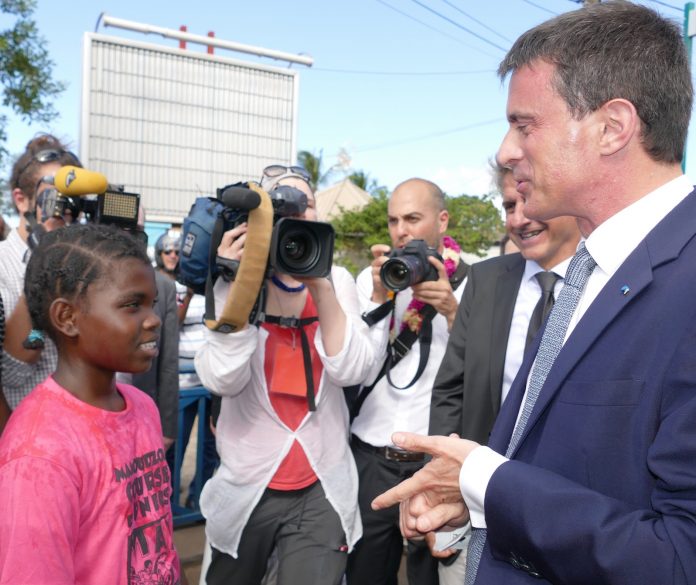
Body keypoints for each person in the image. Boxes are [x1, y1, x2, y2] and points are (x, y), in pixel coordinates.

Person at [372, 3, 696, 584]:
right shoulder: (593, 269)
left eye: (525, 125)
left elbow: (679, 557)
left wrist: (485, 482)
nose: (505, 151)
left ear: (613, 127)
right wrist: (480, 504)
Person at [194, 165, 378, 585]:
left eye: (305, 204)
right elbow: (222, 380)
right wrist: (240, 284)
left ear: (317, 215)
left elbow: (351, 370)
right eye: (281, 204)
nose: (296, 213)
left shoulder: (337, 279)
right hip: (248, 483)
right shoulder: (235, 278)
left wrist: (320, 285)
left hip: (322, 485)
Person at [0, 224, 180, 584]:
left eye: (152, 304)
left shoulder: (142, 406)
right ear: (67, 318)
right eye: (132, 305)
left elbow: (160, 543)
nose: (153, 319)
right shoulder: (39, 454)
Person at [427, 164, 580, 584]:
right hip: (472, 514)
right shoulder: (486, 279)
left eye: (531, 200)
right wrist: (439, 483)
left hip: (567, 527)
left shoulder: (608, 283)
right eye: (510, 205)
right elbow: (450, 390)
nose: (519, 218)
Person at [347, 178, 468, 585]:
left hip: (433, 461)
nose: (401, 231)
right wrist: (378, 298)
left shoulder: (473, 283)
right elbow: (354, 366)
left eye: (413, 218)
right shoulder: (373, 279)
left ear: (442, 220)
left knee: (429, 574)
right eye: (394, 220)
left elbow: (481, 369)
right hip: (371, 457)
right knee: (365, 572)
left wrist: (452, 311)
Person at [0, 133, 81, 410]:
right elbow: (12, 374)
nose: (65, 209)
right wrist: (43, 261)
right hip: (29, 427)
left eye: (72, 199)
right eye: (54, 197)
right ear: (21, 200)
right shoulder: (3, 265)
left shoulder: (82, 260)